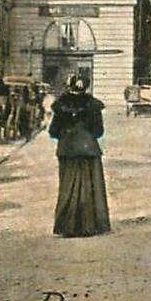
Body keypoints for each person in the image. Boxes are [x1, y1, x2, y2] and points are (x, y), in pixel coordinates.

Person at [49, 75, 111, 237]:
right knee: (90, 186)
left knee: (68, 186)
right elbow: (99, 132)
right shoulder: (92, 105)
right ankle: (90, 225)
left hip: (67, 149)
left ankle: (68, 226)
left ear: (70, 87)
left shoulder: (61, 105)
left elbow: (53, 132)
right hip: (88, 149)